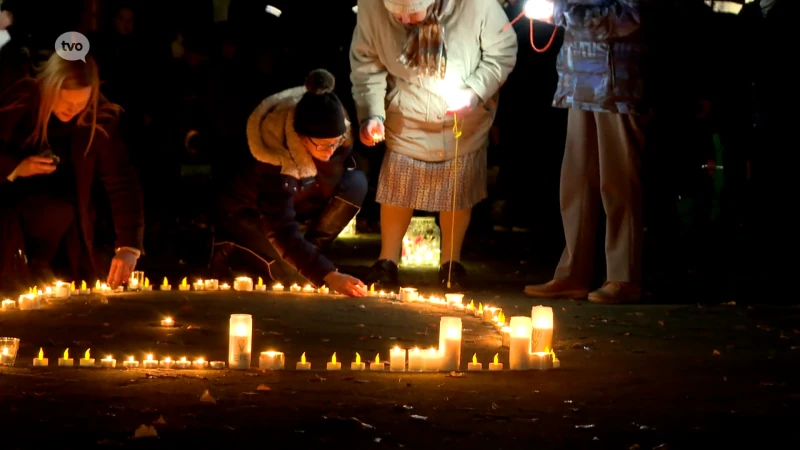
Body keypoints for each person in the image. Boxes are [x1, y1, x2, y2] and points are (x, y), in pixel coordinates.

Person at [350, 0, 517, 290]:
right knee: (398, 185)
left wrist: (474, 92)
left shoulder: (477, 5)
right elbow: (366, 63)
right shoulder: (372, 8)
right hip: (406, 112)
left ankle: (451, 262)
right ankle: (386, 261)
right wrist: (372, 114)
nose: (403, 20)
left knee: (457, 186)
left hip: (463, 119)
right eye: (396, 13)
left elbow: (501, 52)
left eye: (411, 12)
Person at [524, 0, 648, 304]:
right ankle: (574, 273)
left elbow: (630, 16)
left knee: (618, 181)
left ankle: (623, 276)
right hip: (578, 82)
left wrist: (560, 11)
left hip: (616, 84)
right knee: (576, 181)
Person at [213, 69, 369, 297]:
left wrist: (321, 270)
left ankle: (308, 259)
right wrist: (330, 275)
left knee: (356, 182)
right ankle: (235, 249)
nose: (331, 150)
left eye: (335, 143)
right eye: (323, 145)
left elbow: (343, 171)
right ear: (301, 137)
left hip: (297, 205)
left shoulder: (337, 143)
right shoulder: (273, 158)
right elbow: (281, 228)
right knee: (292, 273)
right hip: (246, 215)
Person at [0, 52, 144, 294]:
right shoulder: (18, 106)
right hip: (13, 228)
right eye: (65, 102)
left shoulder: (100, 119)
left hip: (70, 232)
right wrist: (16, 168)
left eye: (80, 104)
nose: (72, 110)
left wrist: (129, 246)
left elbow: (121, 182)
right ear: (49, 88)